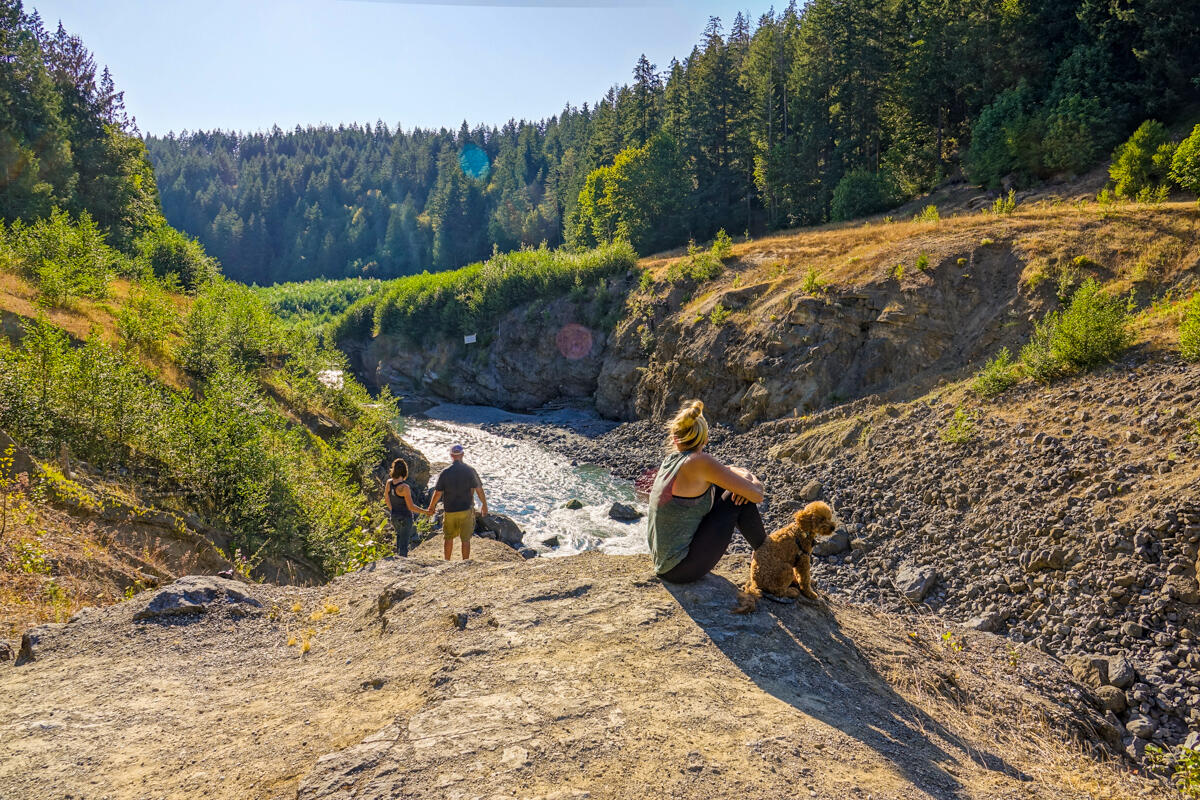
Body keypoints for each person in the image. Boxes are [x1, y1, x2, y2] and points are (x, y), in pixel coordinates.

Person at [646, 400, 767, 583]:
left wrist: (739, 478)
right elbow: (757, 494)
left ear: (674, 437)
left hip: (665, 564)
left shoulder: (672, 460)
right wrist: (749, 475)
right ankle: (769, 557)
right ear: (705, 439)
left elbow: (726, 471)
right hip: (681, 569)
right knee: (742, 498)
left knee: (730, 489)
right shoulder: (699, 462)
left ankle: (766, 554)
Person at [425, 444, 487, 561]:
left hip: (450, 511)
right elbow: (479, 490)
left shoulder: (445, 472)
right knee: (466, 539)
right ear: (462, 454)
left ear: (451, 455)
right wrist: (484, 505)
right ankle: (465, 562)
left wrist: (431, 507)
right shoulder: (470, 470)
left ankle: (447, 561)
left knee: (448, 537)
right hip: (466, 509)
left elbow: (437, 492)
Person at [385, 458, 427, 557]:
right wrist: (425, 511)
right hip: (405, 518)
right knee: (404, 544)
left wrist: (393, 510)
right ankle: (401, 565)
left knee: (399, 540)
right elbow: (411, 506)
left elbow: (387, 499)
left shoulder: (389, 483)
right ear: (405, 471)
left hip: (394, 516)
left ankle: (397, 561)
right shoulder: (404, 487)